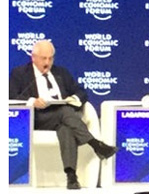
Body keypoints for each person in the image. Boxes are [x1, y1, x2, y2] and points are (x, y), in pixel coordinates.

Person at [9, 39, 117, 190]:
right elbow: (11, 97)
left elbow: (81, 92)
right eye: (43, 58)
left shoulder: (61, 72)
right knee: (65, 112)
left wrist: (74, 99)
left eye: (50, 58)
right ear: (33, 57)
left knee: (66, 129)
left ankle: (71, 177)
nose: (47, 62)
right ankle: (95, 144)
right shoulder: (20, 73)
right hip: (37, 118)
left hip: (63, 118)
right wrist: (32, 101)